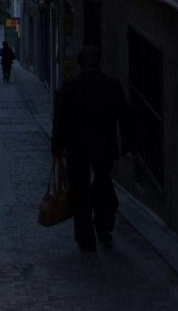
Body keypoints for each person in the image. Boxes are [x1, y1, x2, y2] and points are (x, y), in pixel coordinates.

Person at [51, 45, 133, 254]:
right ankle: (104, 229)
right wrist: (128, 144)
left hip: (76, 149)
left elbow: (59, 120)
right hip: (104, 147)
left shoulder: (69, 89)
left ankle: (86, 240)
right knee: (104, 186)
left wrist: (57, 147)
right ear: (98, 62)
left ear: (80, 64)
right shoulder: (112, 86)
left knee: (80, 193)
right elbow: (124, 117)